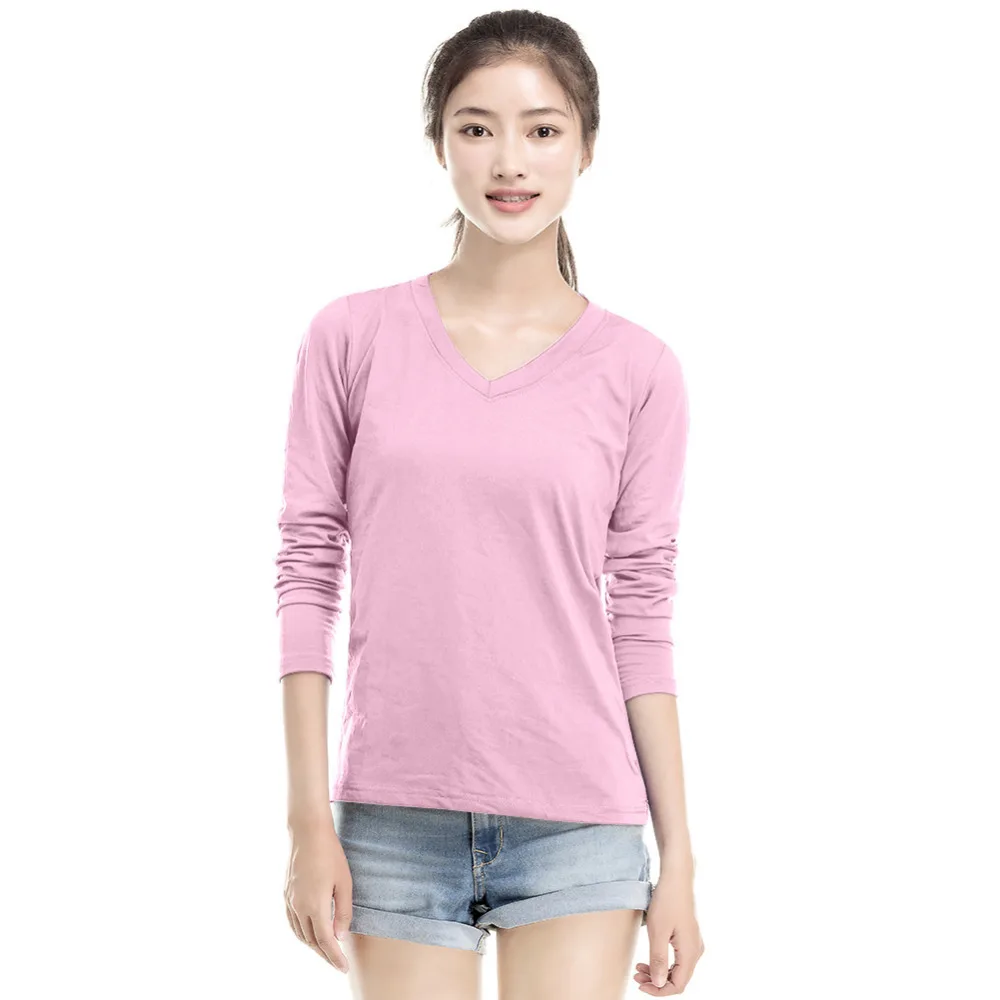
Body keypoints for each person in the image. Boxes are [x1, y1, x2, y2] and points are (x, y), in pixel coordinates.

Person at [275, 9, 705, 998]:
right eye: (477, 128)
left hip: (579, 822)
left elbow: (641, 614)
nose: (509, 160)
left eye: (542, 129)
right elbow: (306, 571)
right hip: (391, 817)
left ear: (586, 147)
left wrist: (678, 856)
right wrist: (306, 820)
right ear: (439, 143)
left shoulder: (640, 371)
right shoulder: (350, 337)